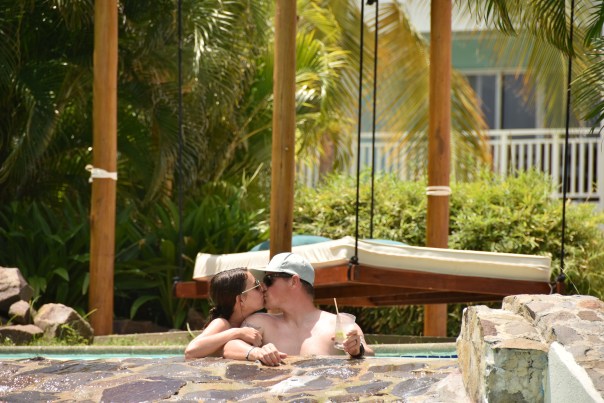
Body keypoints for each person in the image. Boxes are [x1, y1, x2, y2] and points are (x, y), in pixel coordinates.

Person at [223, 253, 374, 365]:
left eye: (268, 280)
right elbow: (229, 347)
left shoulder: (340, 323)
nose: (262, 287)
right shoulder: (260, 322)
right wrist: (256, 352)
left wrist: (357, 350)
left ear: (294, 281)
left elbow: (370, 356)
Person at [184, 267, 266, 359]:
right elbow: (190, 351)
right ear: (241, 299)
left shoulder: (254, 321)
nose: (263, 288)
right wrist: (238, 332)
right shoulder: (222, 324)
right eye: (257, 286)